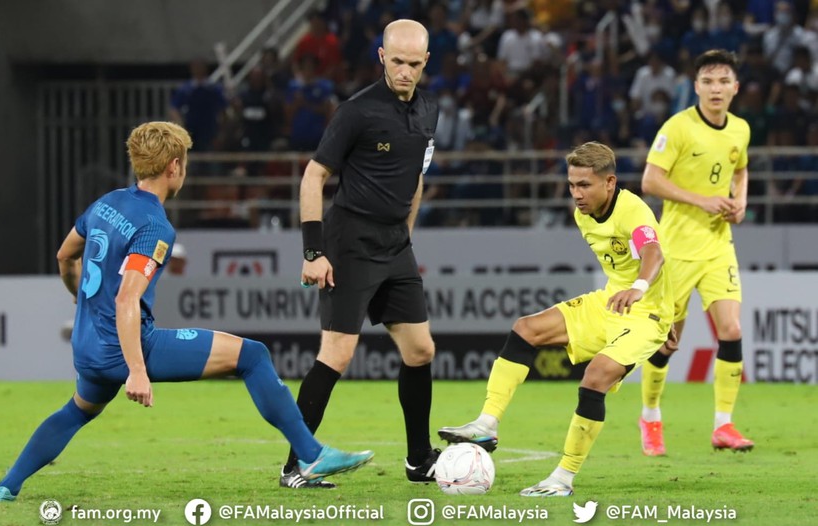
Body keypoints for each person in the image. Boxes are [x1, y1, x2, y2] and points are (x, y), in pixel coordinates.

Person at [0, 121, 372, 502]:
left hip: (87, 346)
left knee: (76, 411)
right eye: (184, 162)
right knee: (252, 355)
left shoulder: (106, 203)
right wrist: (137, 370)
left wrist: (80, 298)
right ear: (174, 166)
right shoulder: (155, 226)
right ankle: (311, 455)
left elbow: (65, 255)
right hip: (126, 347)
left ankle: (6, 485)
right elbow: (126, 299)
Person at [439, 142, 674, 497]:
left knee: (595, 377)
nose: (576, 194)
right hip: (612, 303)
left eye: (584, 185)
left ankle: (563, 478)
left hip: (646, 315)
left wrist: (640, 287)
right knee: (526, 329)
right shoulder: (584, 214)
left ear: (610, 182)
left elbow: (653, 251)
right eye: (571, 185)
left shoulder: (633, 211)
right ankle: (486, 424)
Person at [282, 19, 440, 489]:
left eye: (414, 64)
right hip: (348, 243)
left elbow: (415, 178)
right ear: (381, 57)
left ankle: (418, 460)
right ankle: (297, 464)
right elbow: (313, 178)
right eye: (397, 62)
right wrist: (313, 252)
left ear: (426, 62)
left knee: (420, 350)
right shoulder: (357, 111)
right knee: (337, 353)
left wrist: (406, 237)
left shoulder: (429, 110)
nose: (405, 72)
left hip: (395, 246)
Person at [637, 49, 752, 457]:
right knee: (667, 342)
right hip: (678, 250)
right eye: (708, 80)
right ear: (696, 86)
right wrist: (701, 200)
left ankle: (724, 424)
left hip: (719, 247)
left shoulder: (740, 129)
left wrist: (739, 200)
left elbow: (739, 169)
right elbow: (650, 180)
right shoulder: (678, 127)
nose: (716, 88)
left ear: (735, 88)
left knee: (732, 331)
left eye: (723, 81)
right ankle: (650, 415)